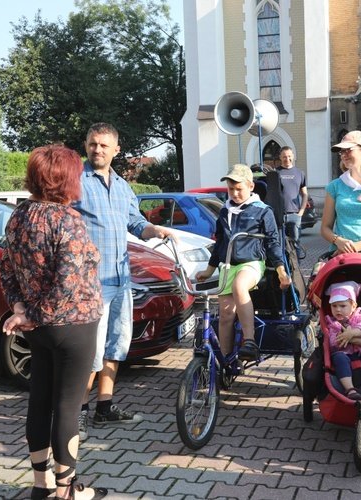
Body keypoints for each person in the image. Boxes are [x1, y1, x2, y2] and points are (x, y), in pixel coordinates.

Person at [0, 145, 108, 500]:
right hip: (73, 327)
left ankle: (41, 485)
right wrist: (29, 314)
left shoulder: (18, 216)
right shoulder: (69, 221)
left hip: (39, 330)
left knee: (40, 400)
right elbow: (67, 282)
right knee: (67, 407)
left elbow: (7, 270)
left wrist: (21, 310)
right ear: (68, 180)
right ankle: (66, 491)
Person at [74, 123, 177, 440]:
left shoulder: (121, 186)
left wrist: (154, 231)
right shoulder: (76, 182)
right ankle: (78, 413)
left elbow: (135, 223)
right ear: (87, 145)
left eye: (104, 145)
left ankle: (104, 410)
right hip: (91, 284)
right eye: (93, 144)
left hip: (121, 281)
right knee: (88, 353)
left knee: (116, 346)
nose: (98, 150)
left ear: (116, 150)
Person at [195, 164, 292, 359]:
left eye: (239, 188)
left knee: (240, 286)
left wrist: (281, 270)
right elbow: (220, 242)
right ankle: (225, 361)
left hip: (252, 263)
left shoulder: (263, 211)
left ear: (251, 187)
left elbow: (273, 242)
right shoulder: (224, 211)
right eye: (231, 189)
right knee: (225, 316)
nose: (234, 193)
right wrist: (208, 270)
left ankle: (250, 342)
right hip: (228, 266)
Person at [324, 281, 361, 400]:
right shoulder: (332, 324)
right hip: (344, 355)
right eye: (334, 306)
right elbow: (331, 343)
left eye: (342, 306)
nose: (338, 310)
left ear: (353, 306)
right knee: (339, 357)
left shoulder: (360, 318)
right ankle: (350, 388)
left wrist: (351, 334)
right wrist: (339, 338)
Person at [276, 146, 308, 242]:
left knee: (296, 244)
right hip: (279, 215)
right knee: (280, 244)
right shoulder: (275, 172)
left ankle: (296, 258)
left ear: (293, 156)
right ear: (280, 157)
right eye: (284, 157)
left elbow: (305, 194)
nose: (287, 159)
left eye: (289, 156)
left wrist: (301, 212)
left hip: (294, 214)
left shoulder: (300, 173)